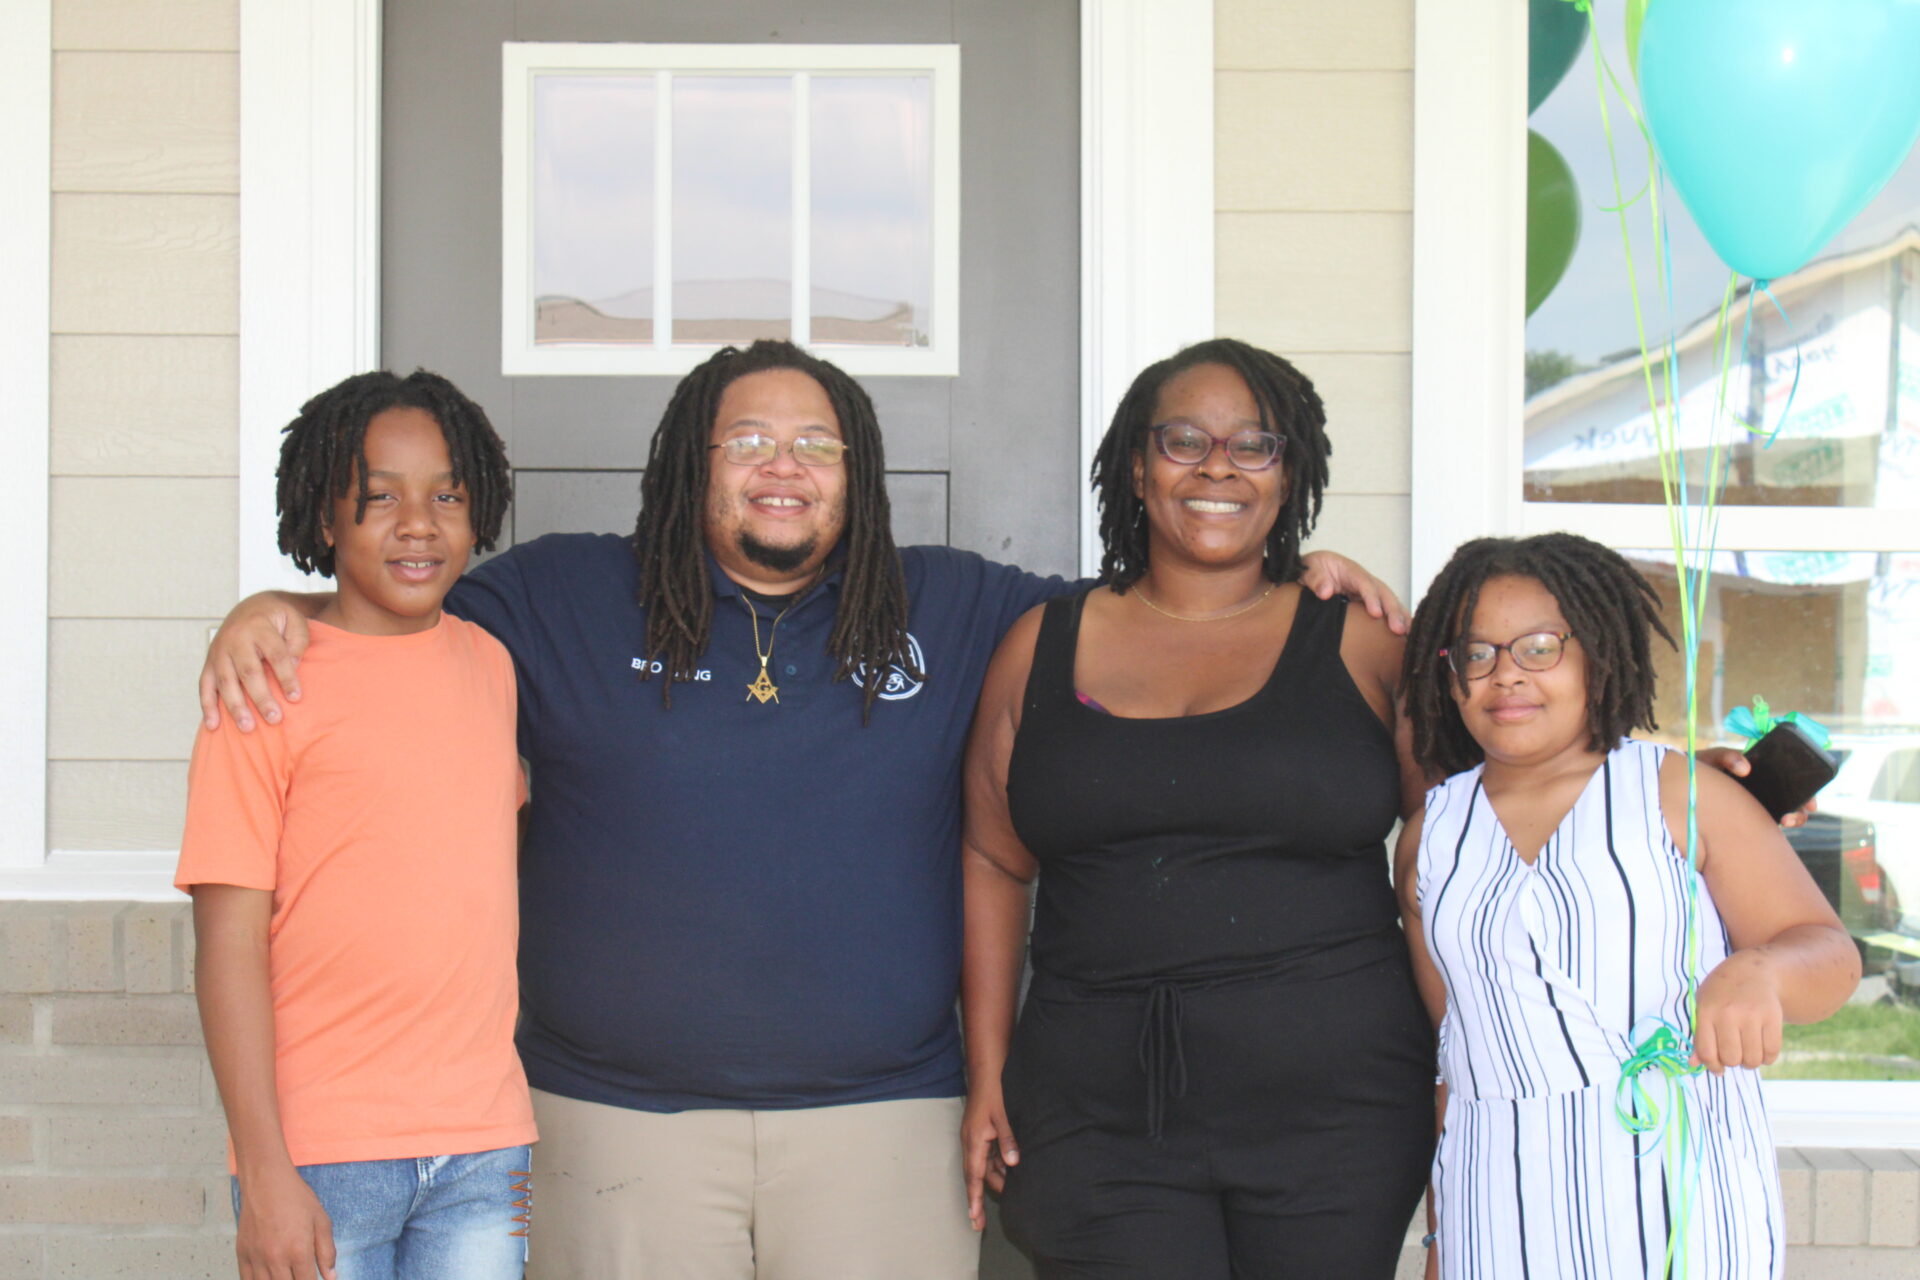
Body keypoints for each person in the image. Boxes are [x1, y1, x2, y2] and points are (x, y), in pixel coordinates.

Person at [195, 340, 1405, 1279]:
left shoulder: (958, 606)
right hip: (615, 1125)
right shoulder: (561, 595)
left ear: (857, 472)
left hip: (884, 1127)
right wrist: (271, 608)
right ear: (693, 462)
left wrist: (1299, 578)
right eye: (751, 439)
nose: (785, 465)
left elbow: (1162, 611)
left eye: (818, 443)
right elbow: (392, 604)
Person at [960, 338, 1436, 1278]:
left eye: (1254, 444)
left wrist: (1672, 781)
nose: (1219, 465)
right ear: (1138, 469)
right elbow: (992, 860)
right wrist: (987, 1071)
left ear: (1288, 477)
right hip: (1095, 1115)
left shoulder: (1366, 643)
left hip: (1338, 1113)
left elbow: (1474, 832)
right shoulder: (1040, 645)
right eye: (1185, 440)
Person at [1395, 533, 1860, 1279]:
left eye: (1540, 647)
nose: (1506, 673)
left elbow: (1830, 955)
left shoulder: (1681, 793)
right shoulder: (1430, 838)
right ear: (1449, 679)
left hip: (1683, 1199)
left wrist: (1763, 972)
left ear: (1598, 655)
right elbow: (1455, 1052)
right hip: (1500, 1205)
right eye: (1477, 654)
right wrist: (1440, 1240)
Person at [178, 370, 534, 1280]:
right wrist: (263, 1168)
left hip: (486, 1143)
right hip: (321, 1153)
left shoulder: (491, 665)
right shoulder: (264, 686)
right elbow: (226, 945)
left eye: (446, 496)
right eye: (379, 498)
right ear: (326, 518)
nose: (418, 523)